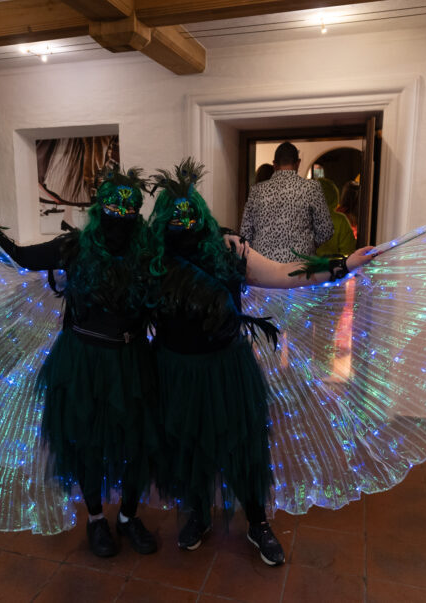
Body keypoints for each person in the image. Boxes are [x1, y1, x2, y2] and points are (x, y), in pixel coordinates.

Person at [148, 159, 375, 566]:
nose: (184, 224)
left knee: (242, 444)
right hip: (175, 371)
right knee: (186, 443)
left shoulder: (229, 248)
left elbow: (284, 274)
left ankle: (257, 521)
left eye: (190, 215)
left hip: (227, 368)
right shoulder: (151, 258)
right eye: (175, 217)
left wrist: (342, 264)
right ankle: (197, 514)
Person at [0, 166, 159, 558]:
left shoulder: (149, 253)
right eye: (114, 207)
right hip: (83, 363)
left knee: (138, 440)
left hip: (131, 362)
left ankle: (128, 517)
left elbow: (187, 248)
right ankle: (96, 519)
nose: (121, 215)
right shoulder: (73, 248)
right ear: (100, 209)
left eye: (129, 208)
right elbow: (19, 256)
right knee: (87, 441)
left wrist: (228, 240)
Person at [240, 141, 333, 262]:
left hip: (263, 265)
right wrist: (307, 244)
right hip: (298, 264)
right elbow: (326, 231)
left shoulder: (257, 190)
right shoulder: (311, 188)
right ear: (298, 163)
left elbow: (245, 233)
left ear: (274, 165)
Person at [314, 177, 356, 257]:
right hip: (333, 264)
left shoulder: (300, 219)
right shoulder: (341, 220)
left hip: (306, 265)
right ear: (334, 195)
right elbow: (348, 251)